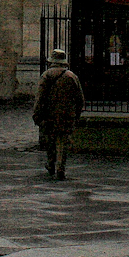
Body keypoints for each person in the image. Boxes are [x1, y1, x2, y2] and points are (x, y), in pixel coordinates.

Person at [33, 48, 85, 180]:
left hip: (50, 114)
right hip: (67, 115)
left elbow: (40, 97)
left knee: (50, 140)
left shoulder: (46, 75)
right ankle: (61, 167)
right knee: (62, 142)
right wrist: (76, 114)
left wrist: (37, 114)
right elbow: (80, 99)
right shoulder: (72, 76)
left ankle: (51, 163)